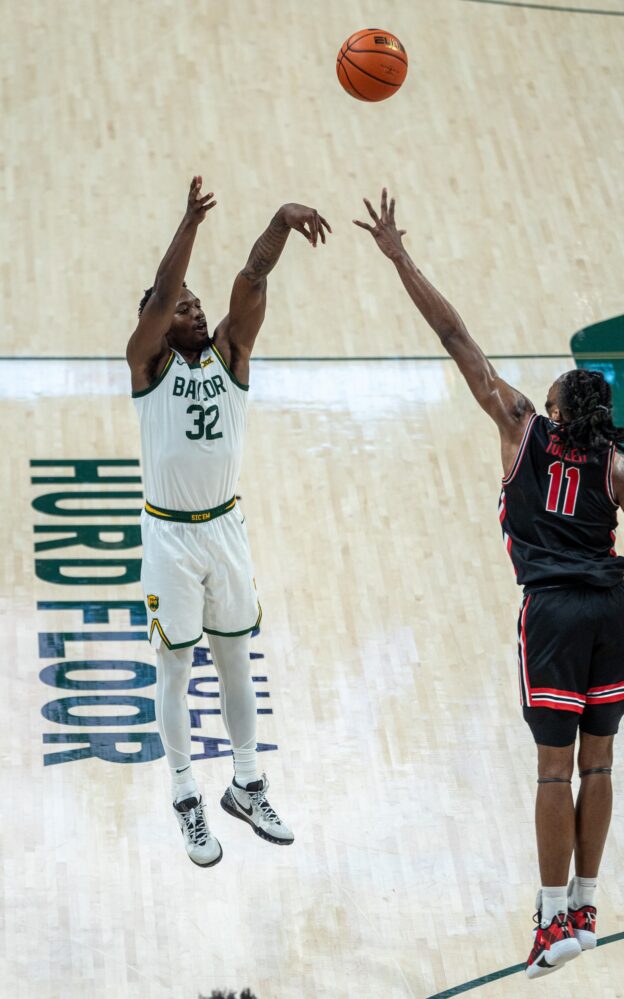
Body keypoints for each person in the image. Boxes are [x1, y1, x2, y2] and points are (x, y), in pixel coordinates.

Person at [354, 189, 624, 979]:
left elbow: (454, 335)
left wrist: (399, 256)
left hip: (551, 612)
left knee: (554, 769)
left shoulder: (520, 423)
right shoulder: (616, 464)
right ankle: (585, 904)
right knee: (600, 764)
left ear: (552, 406)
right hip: (614, 611)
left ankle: (551, 920)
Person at [127, 177, 331, 866]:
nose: (192, 304)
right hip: (169, 535)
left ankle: (247, 782)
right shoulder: (146, 363)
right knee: (175, 665)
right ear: (158, 322)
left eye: (195, 302)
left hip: (224, 529)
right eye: (180, 304)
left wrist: (278, 221)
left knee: (236, 659)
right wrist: (187, 224)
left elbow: (253, 274)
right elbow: (159, 295)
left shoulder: (230, 353)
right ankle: (185, 794)